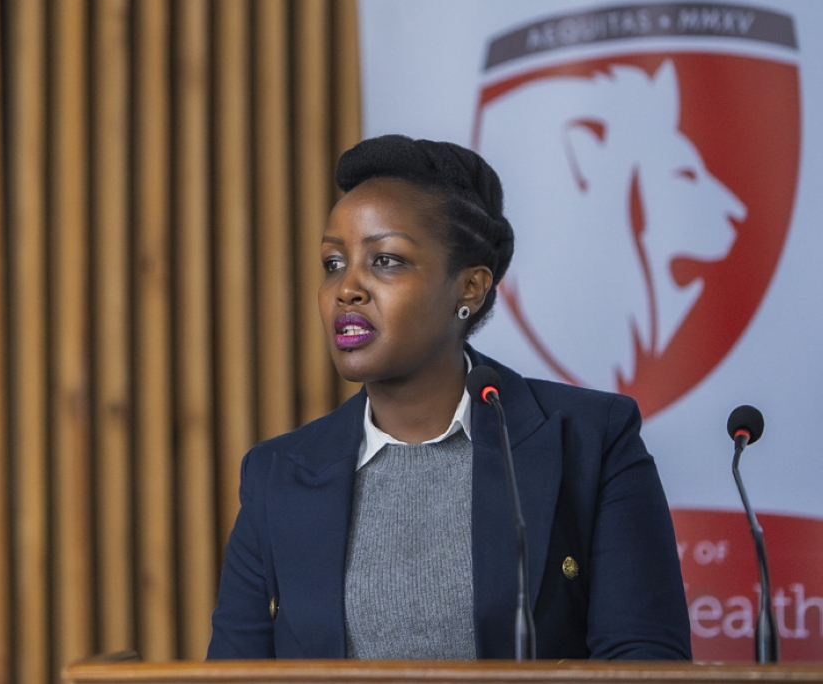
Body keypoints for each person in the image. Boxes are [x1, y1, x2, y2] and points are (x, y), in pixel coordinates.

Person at [205, 134, 691, 660]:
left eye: (386, 260)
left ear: (470, 288)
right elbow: (235, 672)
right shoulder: (276, 475)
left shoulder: (591, 440)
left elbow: (646, 663)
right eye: (333, 263)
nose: (347, 288)